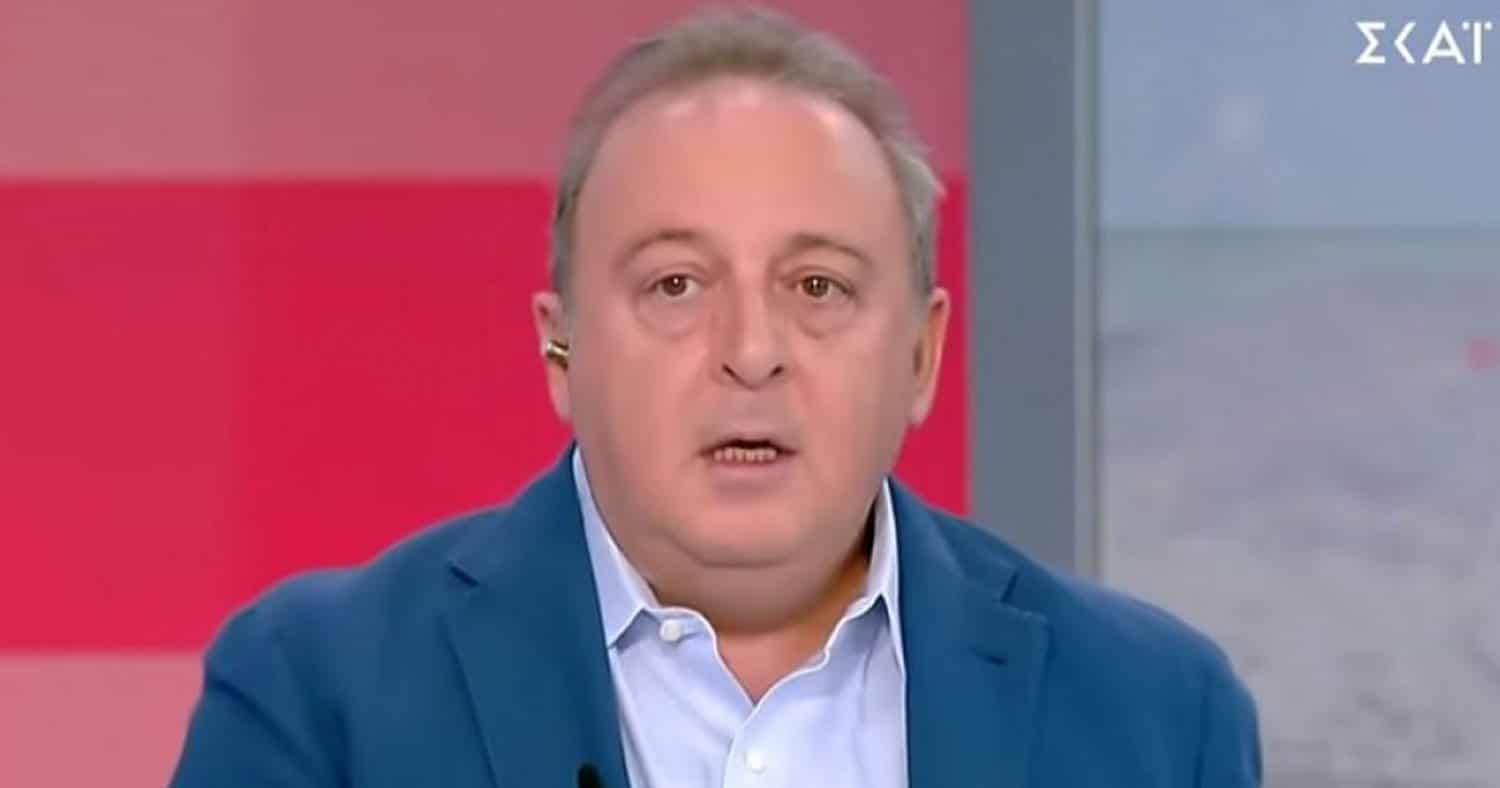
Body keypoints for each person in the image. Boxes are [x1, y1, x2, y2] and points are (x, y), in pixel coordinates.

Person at [171, 7, 1261, 787]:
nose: (750, 352)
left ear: (922, 356)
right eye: (676, 285)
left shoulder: (1157, 716)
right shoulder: (321, 696)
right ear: (562, 350)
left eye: (818, 286)